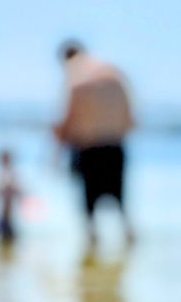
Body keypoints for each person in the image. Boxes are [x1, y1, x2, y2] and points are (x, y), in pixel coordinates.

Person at [52, 40, 136, 248]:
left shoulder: (75, 75)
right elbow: (131, 121)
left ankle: (92, 245)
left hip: (88, 148)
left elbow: (67, 119)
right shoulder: (114, 74)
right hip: (115, 146)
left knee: (89, 208)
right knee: (121, 202)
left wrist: (55, 153)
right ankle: (129, 242)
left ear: (66, 57)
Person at [0, 149, 22, 244]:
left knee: (5, 227)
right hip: (5, 204)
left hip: (7, 203)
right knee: (5, 226)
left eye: (4, 158)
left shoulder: (9, 172)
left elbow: (10, 187)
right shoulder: (4, 171)